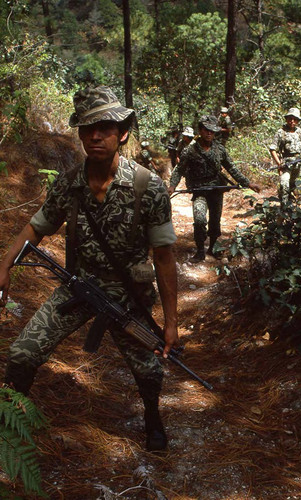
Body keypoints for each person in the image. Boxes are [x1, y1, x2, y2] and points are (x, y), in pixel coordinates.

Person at [0, 86, 179, 452]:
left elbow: (164, 257)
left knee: (149, 370)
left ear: (122, 132)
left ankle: (151, 416)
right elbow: (36, 228)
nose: (95, 136)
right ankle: (10, 420)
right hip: (79, 288)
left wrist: (172, 321)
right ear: (80, 134)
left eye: (105, 128)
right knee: (21, 355)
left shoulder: (149, 187)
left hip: (129, 296)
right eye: (87, 128)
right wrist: (4, 266)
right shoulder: (69, 184)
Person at [168, 115, 260, 263]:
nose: (209, 133)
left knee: (215, 220)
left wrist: (248, 183)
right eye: (206, 130)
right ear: (200, 130)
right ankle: (199, 251)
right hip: (199, 191)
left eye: (212, 131)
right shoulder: (190, 150)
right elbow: (179, 170)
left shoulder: (219, 149)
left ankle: (212, 248)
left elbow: (232, 168)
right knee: (199, 220)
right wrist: (172, 186)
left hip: (216, 189)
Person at [269, 107, 301, 207]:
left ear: (298, 120)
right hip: (286, 163)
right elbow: (272, 149)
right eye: (290, 118)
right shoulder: (281, 132)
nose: (292, 121)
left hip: (298, 163)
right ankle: (284, 207)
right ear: (286, 119)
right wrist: (279, 163)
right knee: (284, 184)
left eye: (295, 119)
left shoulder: (299, 131)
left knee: (293, 185)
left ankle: (293, 207)